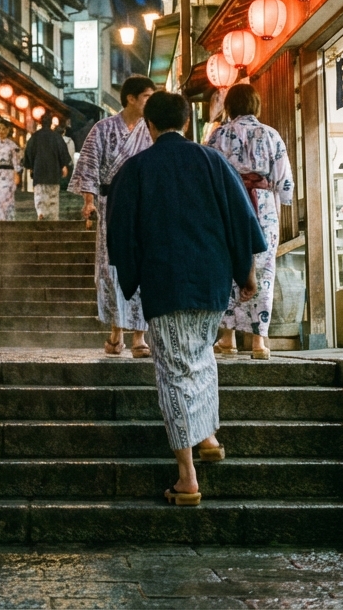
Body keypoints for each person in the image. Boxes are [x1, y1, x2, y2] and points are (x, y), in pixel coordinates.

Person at [107, 90, 266, 505]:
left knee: (174, 372)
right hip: (211, 282)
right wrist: (244, 272)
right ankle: (208, 436)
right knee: (201, 358)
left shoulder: (137, 168)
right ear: (187, 123)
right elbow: (241, 218)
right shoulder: (213, 162)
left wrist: (131, 277)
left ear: (149, 125)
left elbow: (120, 233)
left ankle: (187, 476)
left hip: (166, 281)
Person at [206, 83, 295, 360]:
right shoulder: (271, 135)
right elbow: (284, 180)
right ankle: (259, 342)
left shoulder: (218, 135)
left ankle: (228, 338)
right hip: (264, 205)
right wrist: (283, 198)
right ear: (255, 105)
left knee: (228, 267)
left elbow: (208, 176)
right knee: (264, 268)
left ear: (229, 106)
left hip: (229, 206)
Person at [68, 75, 156, 356]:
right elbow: (90, 164)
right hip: (111, 203)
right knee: (111, 268)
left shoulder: (152, 129)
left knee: (143, 266)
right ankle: (116, 332)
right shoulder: (103, 128)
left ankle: (140, 337)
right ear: (131, 98)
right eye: (146, 97)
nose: (150, 102)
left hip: (142, 206)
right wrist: (88, 200)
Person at [22, 119, 73, 220]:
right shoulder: (56, 137)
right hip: (53, 172)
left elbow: (28, 153)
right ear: (51, 125)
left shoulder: (34, 137)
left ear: (41, 123)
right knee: (52, 198)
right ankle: (52, 219)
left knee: (40, 195)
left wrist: (31, 167)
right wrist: (64, 165)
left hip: (39, 171)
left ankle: (41, 212)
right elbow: (63, 153)